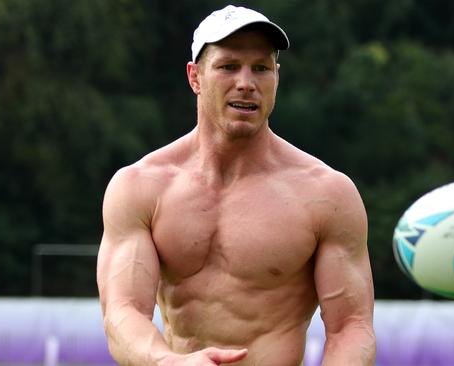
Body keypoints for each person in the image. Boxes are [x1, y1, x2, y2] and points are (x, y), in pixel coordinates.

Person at [96, 5, 375, 365]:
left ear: (276, 77)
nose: (246, 82)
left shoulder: (326, 194)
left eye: (261, 68)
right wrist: (168, 363)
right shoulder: (141, 186)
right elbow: (122, 312)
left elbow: (352, 327)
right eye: (228, 66)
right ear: (195, 77)